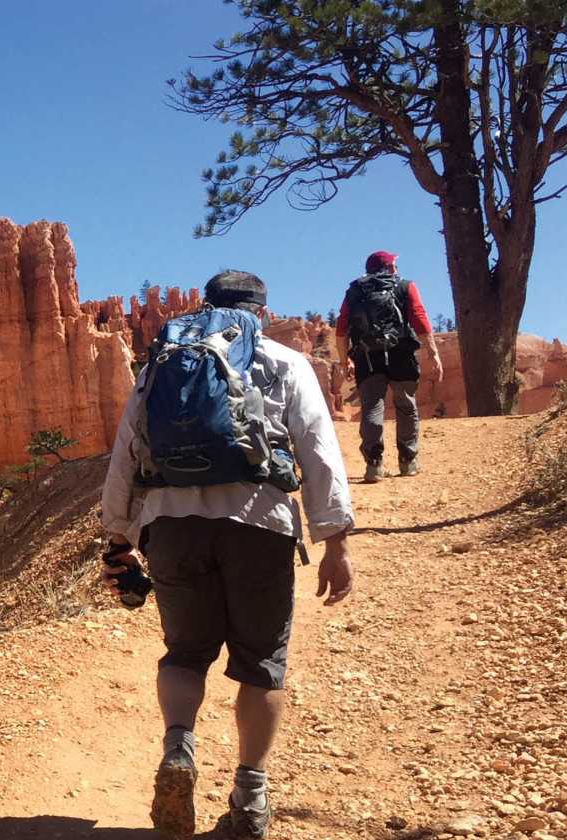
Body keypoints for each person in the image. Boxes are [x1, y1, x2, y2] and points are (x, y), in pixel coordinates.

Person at [101, 270, 356, 838]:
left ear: (205, 307)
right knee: (262, 662)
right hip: (258, 524)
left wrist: (118, 536)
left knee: (185, 653)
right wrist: (334, 537)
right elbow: (318, 450)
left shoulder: (161, 366)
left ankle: (178, 748)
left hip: (171, 525)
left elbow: (126, 452)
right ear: (259, 312)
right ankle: (250, 795)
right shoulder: (285, 362)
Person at [336, 250, 441, 482]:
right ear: (390, 267)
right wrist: (433, 353)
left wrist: (345, 361)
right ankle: (408, 461)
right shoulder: (405, 286)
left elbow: (341, 329)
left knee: (372, 407)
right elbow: (419, 318)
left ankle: (373, 465)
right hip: (401, 354)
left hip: (368, 357)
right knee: (406, 406)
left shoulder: (354, 291)